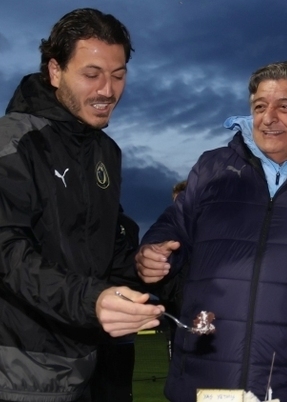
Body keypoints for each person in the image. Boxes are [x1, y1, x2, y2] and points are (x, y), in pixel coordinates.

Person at [136, 61, 287, 401]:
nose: (268, 118)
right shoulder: (212, 168)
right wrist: (153, 252)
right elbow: (173, 226)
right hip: (206, 378)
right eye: (260, 106)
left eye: (285, 107)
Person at [0, 8, 164, 402]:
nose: (108, 90)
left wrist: (146, 264)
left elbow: (105, 251)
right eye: (92, 74)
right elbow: (6, 251)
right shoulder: (13, 142)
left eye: (118, 75)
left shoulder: (106, 151)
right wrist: (92, 301)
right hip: (19, 374)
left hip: (91, 368)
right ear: (55, 71)